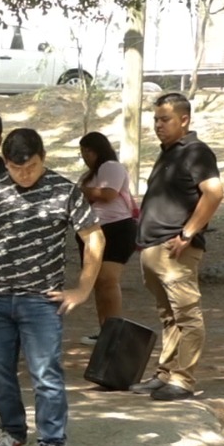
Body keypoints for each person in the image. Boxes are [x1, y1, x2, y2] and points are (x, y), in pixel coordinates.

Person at [0, 128, 105, 446]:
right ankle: (12, 432)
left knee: (45, 374)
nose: (24, 175)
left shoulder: (65, 191)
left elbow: (94, 238)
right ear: (5, 162)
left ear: (44, 158)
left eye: (31, 167)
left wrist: (83, 289)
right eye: (16, 168)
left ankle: (53, 444)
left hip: (41, 301)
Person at [134, 93, 224, 401]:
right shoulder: (168, 152)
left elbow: (214, 193)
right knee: (168, 316)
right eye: (156, 119)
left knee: (186, 315)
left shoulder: (195, 151)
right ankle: (165, 374)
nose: (158, 125)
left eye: (165, 119)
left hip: (175, 250)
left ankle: (183, 380)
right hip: (153, 248)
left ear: (184, 119)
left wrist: (187, 233)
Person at [77, 132, 138, 342]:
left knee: (108, 280)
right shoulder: (88, 176)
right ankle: (105, 329)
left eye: (89, 151)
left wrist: (82, 190)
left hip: (116, 228)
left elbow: (108, 194)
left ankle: (115, 332)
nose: (86, 156)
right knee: (99, 282)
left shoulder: (111, 167)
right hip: (93, 230)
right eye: (83, 152)